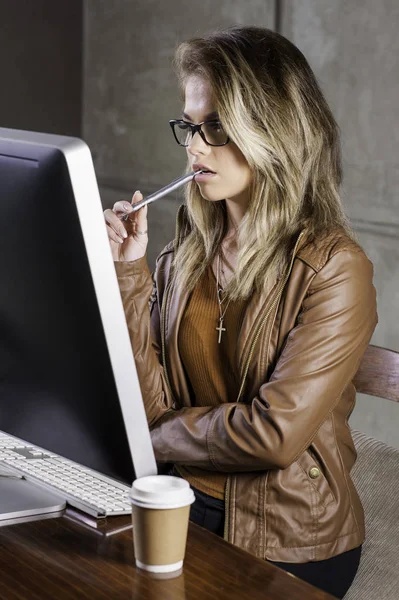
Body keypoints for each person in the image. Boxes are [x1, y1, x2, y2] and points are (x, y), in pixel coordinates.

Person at [104, 26, 377, 599]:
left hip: (286, 539)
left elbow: (273, 436)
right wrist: (128, 272)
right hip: (176, 497)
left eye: (217, 129)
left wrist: (155, 433)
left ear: (273, 132)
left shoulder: (334, 268)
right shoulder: (185, 253)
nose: (195, 147)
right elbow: (146, 402)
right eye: (190, 126)